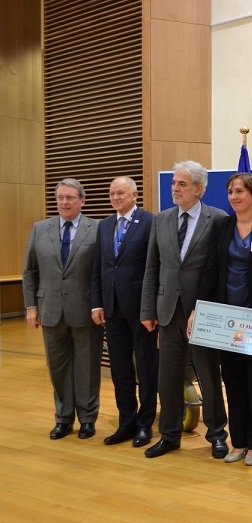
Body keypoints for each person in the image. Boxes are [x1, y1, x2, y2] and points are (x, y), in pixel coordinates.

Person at [189, 172, 252, 466]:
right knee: (233, 381)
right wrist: (197, 309)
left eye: (239, 191)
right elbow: (210, 270)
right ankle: (238, 441)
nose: (234, 196)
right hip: (224, 319)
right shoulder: (221, 226)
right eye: (230, 192)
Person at [140, 161, 229, 459]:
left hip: (202, 312)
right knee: (169, 376)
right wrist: (147, 309)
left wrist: (209, 307)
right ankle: (169, 434)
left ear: (199, 189)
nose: (175, 189)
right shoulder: (161, 220)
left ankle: (217, 434)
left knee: (208, 375)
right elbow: (152, 269)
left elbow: (220, 272)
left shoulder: (217, 219)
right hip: (167, 311)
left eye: (182, 184)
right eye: (174, 184)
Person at [22, 178, 103, 440]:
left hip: (86, 309)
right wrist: (31, 306)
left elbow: (101, 271)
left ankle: (88, 419)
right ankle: (63, 419)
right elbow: (30, 271)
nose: (65, 202)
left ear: (82, 200)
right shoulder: (39, 228)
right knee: (58, 367)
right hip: (50, 309)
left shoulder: (97, 228)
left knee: (87, 368)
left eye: (70, 198)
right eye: (60, 198)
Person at [91, 177, 159, 448]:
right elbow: (99, 268)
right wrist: (97, 303)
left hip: (141, 310)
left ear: (134, 195)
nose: (115, 197)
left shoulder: (149, 222)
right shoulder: (105, 225)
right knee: (120, 369)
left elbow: (155, 267)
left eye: (120, 193)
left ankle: (145, 424)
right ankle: (126, 422)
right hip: (112, 308)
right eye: (112, 193)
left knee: (146, 367)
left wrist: (150, 307)